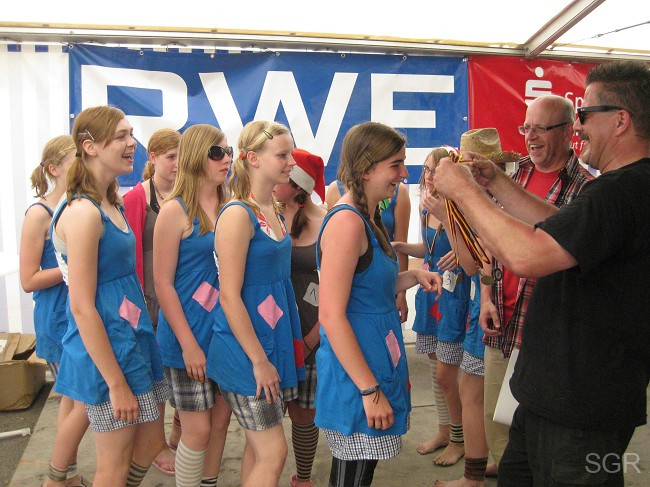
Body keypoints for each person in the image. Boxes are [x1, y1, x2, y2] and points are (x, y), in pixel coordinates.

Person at [432, 60, 650, 487]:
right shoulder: (620, 188)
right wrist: (496, 183)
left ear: (621, 120)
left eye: (584, 114)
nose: (579, 125)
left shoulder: (623, 189)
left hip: (582, 413)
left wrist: (464, 191)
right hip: (551, 400)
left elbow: (528, 255)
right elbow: (557, 226)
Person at [316, 121, 442, 486]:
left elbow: (368, 289)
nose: (404, 174)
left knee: (361, 473)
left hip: (373, 360)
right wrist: (369, 390)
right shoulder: (347, 223)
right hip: (358, 373)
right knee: (351, 477)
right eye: (396, 164)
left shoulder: (367, 216)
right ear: (366, 169)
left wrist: (412, 276)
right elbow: (331, 314)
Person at [50, 105, 169, 487]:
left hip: (131, 338)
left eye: (130, 134)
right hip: (110, 350)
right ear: (90, 146)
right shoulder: (84, 213)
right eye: (121, 136)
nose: (132, 143)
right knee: (113, 467)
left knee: (148, 446)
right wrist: (115, 383)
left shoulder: (110, 201)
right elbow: (82, 306)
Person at [478, 97, 593, 478]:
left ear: (568, 131)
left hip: (545, 336)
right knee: (495, 422)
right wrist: (485, 295)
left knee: (537, 437)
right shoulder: (512, 175)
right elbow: (492, 240)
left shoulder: (587, 190)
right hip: (501, 321)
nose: (531, 137)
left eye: (541, 128)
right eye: (526, 128)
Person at [207, 120, 306, 487]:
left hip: (270, 341)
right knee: (273, 452)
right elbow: (229, 295)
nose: (291, 162)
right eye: (282, 155)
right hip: (246, 351)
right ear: (253, 159)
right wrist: (259, 361)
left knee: (257, 447)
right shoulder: (238, 214)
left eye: (290, 154)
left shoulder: (273, 208)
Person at [433, 131, 521, 487]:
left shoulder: (494, 203)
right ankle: (488, 464)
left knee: (478, 393)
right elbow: (480, 264)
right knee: (477, 392)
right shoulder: (486, 201)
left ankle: (478, 472)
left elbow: (475, 263)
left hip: (496, 309)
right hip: (485, 306)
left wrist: (448, 216)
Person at [153, 124, 233, 487]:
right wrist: (188, 345)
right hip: (188, 337)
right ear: (197, 157)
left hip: (224, 334)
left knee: (220, 422)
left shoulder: (231, 206)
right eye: (217, 152)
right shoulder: (175, 211)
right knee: (197, 430)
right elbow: (163, 283)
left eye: (228, 152)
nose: (226, 159)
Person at [391, 146, 471, 468]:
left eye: (436, 169)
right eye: (426, 169)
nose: (428, 176)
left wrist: (448, 217)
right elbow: (429, 248)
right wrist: (400, 246)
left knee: (446, 375)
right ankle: (444, 431)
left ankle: (459, 439)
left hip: (456, 295)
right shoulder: (426, 207)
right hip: (432, 292)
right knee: (436, 370)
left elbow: (471, 253)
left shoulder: (462, 206)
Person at [19, 135, 90, 487]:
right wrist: (75, 265)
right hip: (59, 319)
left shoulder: (79, 207)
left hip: (80, 315)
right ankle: (59, 477)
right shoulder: (39, 214)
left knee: (74, 401)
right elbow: (28, 279)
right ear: (54, 168)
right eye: (77, 158)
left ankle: (66, 475)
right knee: (82, 401)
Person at [123, 127, 181, 476]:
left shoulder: (188, 193)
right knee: (155, 377)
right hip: (149, 301)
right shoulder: (137, 198)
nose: (176, 164)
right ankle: (155, 442)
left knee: (182, 374)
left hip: (181, 298)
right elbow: (129, 258)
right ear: (154, 158)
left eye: (181, 157)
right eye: (171, 157)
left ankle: (176, 433)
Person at [274, 148, 327, 487]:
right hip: (275, 333)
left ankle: (303, 479)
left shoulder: (327, 221)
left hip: (313, 334)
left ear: (297, 184)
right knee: (266, 417)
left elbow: (339, 290)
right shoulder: (264, 217)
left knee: (304, 415)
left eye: (284, 172)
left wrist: (312, 339)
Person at [325, 174, 411, 324]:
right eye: (395, 164)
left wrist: (401, 293)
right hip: (356, 289)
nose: (404, 173)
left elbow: (401, 246)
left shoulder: (399, 191)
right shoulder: (336, 190)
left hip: (386, 281)